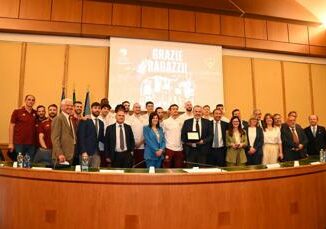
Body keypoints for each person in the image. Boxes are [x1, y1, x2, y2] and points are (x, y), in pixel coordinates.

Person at [8, 94, 37, 160]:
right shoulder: (17, 112)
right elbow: (11, 126)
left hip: (31, 144)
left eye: (33, 100)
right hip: (19, 143)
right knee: (19, 164)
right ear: (25, 101)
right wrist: (10, 143)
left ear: (34, 102)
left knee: (29, 164)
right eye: (29, 99)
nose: (31, 101)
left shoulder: (35, 113)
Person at [77, 102, 105, 168]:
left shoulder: (101, 123)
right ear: (91, 109)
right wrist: (83, 151)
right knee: (84, 171)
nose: (97, 110)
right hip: (85, 153)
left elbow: (101, 138)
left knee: (95, 174)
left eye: (99, 108)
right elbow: (81, 137)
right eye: (95, 108)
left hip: (96, 154)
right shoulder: (85, 120)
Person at [51, 98, 77, 165]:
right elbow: (55, 139)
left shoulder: (70, 119)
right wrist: (60, 154)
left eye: (71, 106)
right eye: (67, 105)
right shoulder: (58, 119)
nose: (70, 107)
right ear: (62, 107)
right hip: (61, 157)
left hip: (70, 155)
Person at [129, 103, 146, 168]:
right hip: (131, 146)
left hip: (142, 146)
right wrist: (134, 143)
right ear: (133, 109)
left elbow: (147, 133)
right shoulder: (129, 119)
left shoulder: (144, 119)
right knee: (131, 165)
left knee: (140, 165)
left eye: (139, 107)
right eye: (136, 107)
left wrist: (141, 142)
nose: (138, 109)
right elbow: (128, 133)